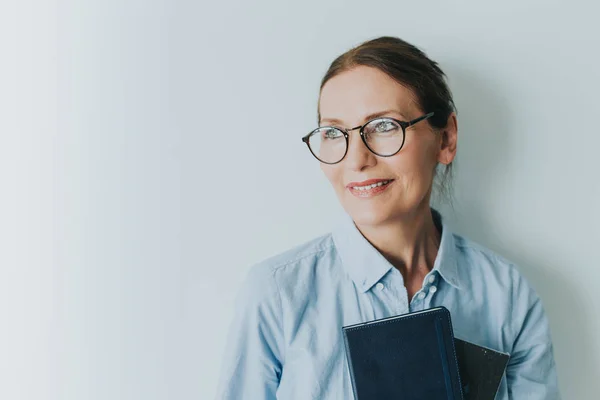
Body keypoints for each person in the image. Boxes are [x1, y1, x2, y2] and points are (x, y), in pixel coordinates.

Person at [215, 36, 560, 399]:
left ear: (446, 139)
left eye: (383, 126)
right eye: (333, 132)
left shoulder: (508, 296)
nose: (356, 159)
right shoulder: (276, 294)